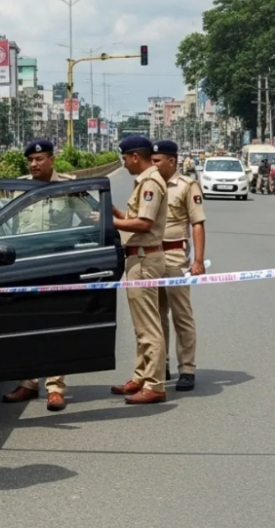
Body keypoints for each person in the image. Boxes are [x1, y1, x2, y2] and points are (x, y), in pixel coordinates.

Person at [2, 139, 93, 412]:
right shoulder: (19, 187)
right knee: (24, 325)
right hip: (25, 266)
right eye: (30, 160)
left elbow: (91, 218)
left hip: (57, 265)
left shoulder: (68, 187)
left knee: (55, 326)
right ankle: (27, 383)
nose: (33, 164)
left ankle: (55, 388)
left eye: (39, 159)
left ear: (52, 160)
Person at [110, 136, 169, 405]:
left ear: (135, 156)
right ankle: (142, 376)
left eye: (124, 158)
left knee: (149, 327)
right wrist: (111, 212)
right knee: (141, 325)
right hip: (139, 257)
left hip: (145, 259)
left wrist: (112, 223)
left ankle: (155, 385)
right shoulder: (145, 181)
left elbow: (144, 224)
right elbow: (134, 217)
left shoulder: (150, 183)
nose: (124, 164)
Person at [152, 140, 206, 392]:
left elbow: (197, 222)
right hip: (151, 256)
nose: (153, 165)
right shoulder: (147, 184)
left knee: (181, 314)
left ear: (172, 161)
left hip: (175, 255)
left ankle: (187, 368)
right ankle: (160, 365)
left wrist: (197, 260)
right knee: (156, 315)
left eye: (157, 160)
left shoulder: (187, 185)